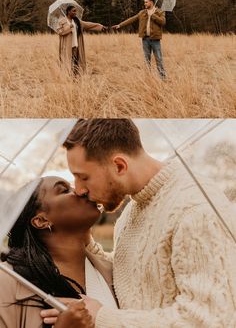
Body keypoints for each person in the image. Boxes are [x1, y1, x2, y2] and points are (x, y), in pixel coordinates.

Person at [42, 119, 236, 328]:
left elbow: (211, 319)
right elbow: (133, 275)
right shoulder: (131, 210)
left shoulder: (196, 210)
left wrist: (102, 318)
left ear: (119, 165)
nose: (79, 189)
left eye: (84, 177)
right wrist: (85, 242)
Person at [0, 176, 117, 328]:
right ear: (41, 221)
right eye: (64, 190)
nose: (81, 191)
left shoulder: (113, 271)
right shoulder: (6, 283)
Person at [112, 0, 166, 79]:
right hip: (145, 39)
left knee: (158, 59)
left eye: (146, 2)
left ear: (151, 2)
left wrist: (153, 16)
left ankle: (163, 78)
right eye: (144, 2)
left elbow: (163, 22)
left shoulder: (159, 12)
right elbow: (132, 19)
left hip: (155, 40)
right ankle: (148, 77)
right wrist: (120, 25)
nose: (145, 4)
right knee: (146, 60)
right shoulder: (142, 12)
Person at [57, 6, 106, 75]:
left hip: (76, 44)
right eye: (73, 11)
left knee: (76, 61)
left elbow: (88, 24)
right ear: (68, 12)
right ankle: (67, 77)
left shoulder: (77, 21)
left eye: (75, 11)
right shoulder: (62, 21)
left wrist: (100, 26)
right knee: (67, 61)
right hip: (67, 45)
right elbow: (60, 32)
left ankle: (76, 76)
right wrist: (69, 27)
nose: (75, 13)